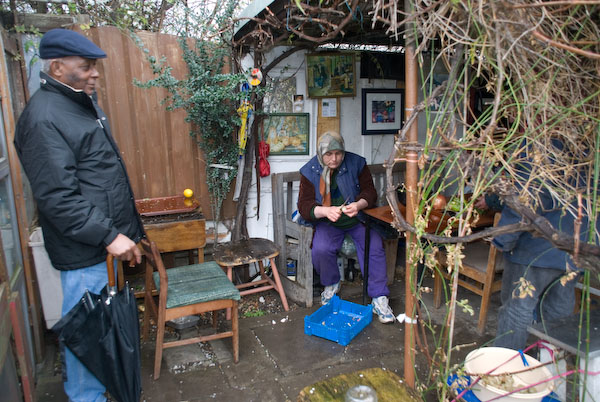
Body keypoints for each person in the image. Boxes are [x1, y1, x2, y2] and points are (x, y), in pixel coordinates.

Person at [14, 29, 143, 402]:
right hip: (86, 252)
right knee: (88, 339)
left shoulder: (78, 103)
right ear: (57, 66)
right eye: (86, 67)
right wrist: (110, 236)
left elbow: (96, 174)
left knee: (104, 336)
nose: (95, 73)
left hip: (101, 251)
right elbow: (58, 198)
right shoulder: (43, 119)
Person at [297, 131, 395, 323]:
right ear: (320, 153)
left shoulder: (356, 163)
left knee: (374, 246)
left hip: (357, 219)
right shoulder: (309, 171)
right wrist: (325, 212)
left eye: (338, 153)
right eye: (329, 154)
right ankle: (332, 284)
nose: (334, 159)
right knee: (321, 249)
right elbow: (304, 206)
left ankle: (379, 298)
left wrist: (359, 205)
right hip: (328, 222)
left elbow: (370, 192)